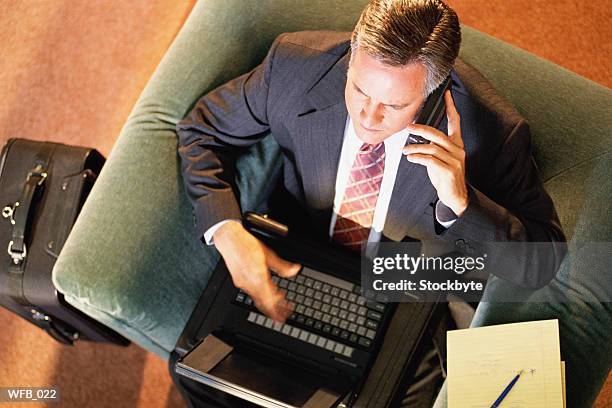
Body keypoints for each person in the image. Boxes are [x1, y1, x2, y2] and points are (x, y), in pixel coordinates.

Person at [172, 0, 566, 406]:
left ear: (436, 88)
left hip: (404, 292)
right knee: (200, 374)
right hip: (301, 258)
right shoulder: (294, 66)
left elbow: (542, 262)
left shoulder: (494, 132)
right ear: (351, 55)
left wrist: (461, 202)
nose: (368, 117)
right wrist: (227, 232)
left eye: (394, 105)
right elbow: (200, 131)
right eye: (359, 88)